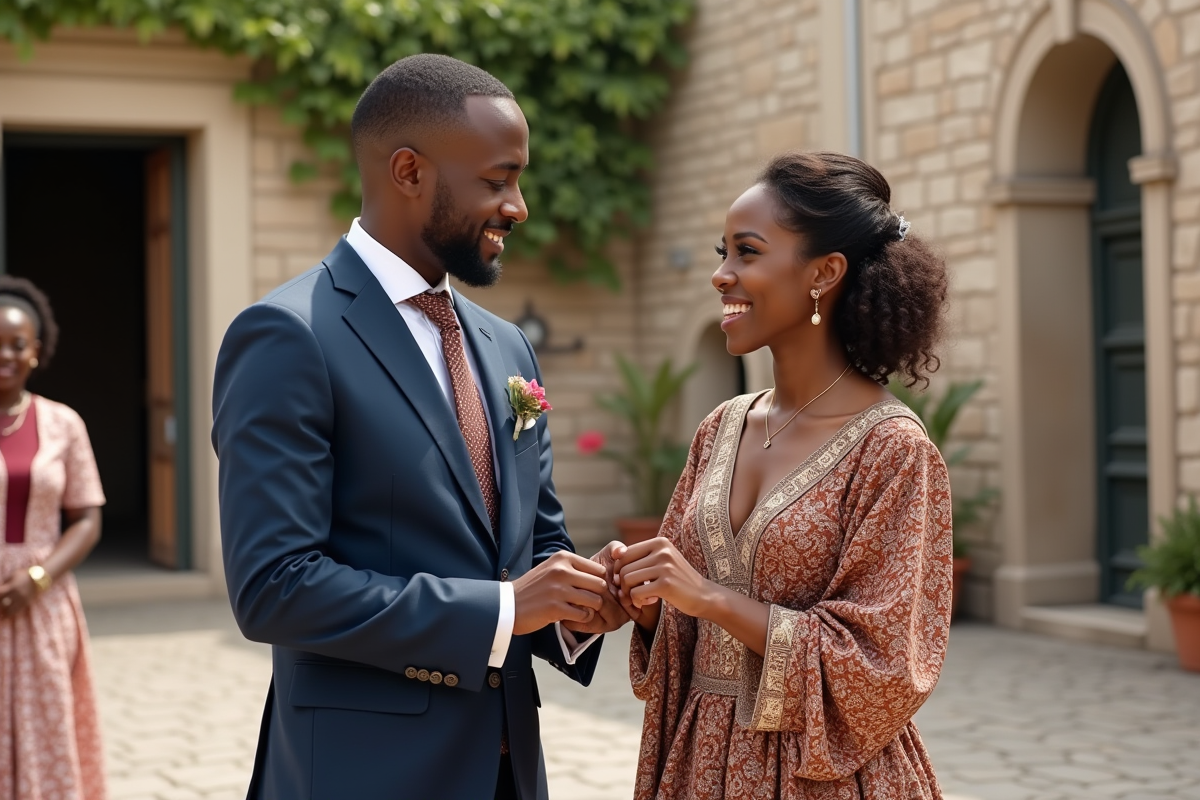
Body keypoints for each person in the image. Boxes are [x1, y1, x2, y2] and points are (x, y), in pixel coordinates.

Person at [211, 54, 627, 800]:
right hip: (362, 771)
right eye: (498, 180)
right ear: (409, 171)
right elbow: (274, 586)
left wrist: (586, 602)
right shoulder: (287, 334)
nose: (519, 205)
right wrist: (502, 609)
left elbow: (532, 548)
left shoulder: (506, 345)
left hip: (507, 768)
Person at [607, 151, 953, 799]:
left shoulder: (893, 450)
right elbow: (681, 626)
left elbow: (882, 667)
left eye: (746, 252)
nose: (721, 275)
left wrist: (710, 598)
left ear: (824, 273)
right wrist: (649, 602)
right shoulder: (721, 427)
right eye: (722, 252)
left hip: (822, 777)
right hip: (698, 764)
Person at [0, 276, 107, 800]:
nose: (4, 355)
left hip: (41, 603)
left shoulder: (63, 424)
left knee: (47, 726)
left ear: (35, 352)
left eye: (16, 344)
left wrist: (38, 577)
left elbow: (87, 518)